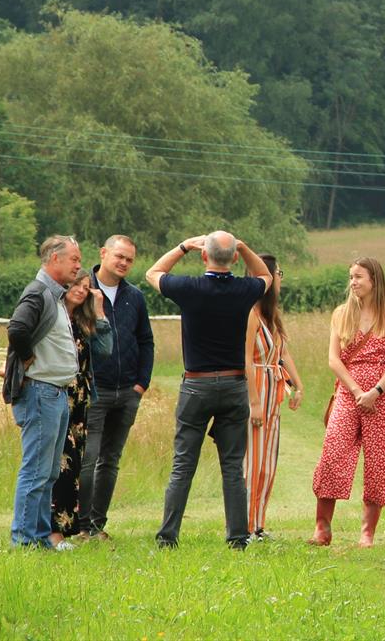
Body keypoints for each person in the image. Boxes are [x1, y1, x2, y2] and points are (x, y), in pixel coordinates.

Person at [146, 231, 272, 549]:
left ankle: (168, 536)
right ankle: (237, 538)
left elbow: (153, 273)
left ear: (204, 256)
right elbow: (265, 274)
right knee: (232, 466)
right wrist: (243, 246)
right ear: (233, 259)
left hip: (196, 384)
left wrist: (183, 245)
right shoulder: (245, 290)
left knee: (183, 463)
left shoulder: (189, 288)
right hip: (233, 384)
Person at [309, 257, 385, 547]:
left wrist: (375, 391)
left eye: (358, 277)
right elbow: (333, 359)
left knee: (380, 461)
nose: (353, 282)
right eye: (350, 277)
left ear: (374, 280)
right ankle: (322, 528)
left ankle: (367, 533)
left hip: (383, 397)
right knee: (333, 454)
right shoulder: (341, 314)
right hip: (347, 393)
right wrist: (355, 391)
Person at [2, 235, 82, 549]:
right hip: (40, 392)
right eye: (74, 259)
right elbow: (17, 329)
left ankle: (38, 537)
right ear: (54, 260)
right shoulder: (38, 293)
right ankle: (23, 540)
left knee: (48, 473)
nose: (78, 265)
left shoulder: (55, 296)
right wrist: (25, 357)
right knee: (36, 470)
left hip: (55, 393)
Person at [80, 234, 155, 541]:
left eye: (129, 259)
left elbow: (145, 340)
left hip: (127, 392)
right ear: (103, 253)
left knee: (110, 461)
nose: (124, 263)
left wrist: (141, 384)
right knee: (88, 458)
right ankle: (80, 526)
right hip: (95, 390)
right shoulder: (82, 291)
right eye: (119, 256)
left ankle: (98, 525)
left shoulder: (134, 296)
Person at [243, 254, 305, 539]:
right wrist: (254, 401)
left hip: (273, 390)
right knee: (252, 461)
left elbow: (283, 353)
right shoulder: (250, 313)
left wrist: (298, 385)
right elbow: (244, 357)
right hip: (255, 388)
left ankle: (259, 523)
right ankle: (243, 525)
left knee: (267, 462)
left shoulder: (271, 316)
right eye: (278, 272)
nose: (280, 278)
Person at [50, 269, 113, 547]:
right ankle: (53, 531)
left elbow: (105, 349)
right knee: (60, 464)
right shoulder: (55, 314)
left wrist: (99, 311)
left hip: (81, 399)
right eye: (76, 284)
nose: (81, 290)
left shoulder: (83, 320)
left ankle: (65, 530)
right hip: (58, 392)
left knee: (74, 464)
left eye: (86, 287)